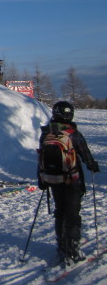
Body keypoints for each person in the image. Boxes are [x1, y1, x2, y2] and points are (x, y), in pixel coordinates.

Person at [38, 101, 100, 264]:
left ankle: (61, 245)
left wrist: (41, 178)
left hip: (52, 178)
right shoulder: (72, 132)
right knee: (72, 213)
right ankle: (72, 249)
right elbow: (84, 152)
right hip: (72, 179)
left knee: (60, 210)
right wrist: (92, 165)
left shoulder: (46, 132)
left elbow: (41, 156)